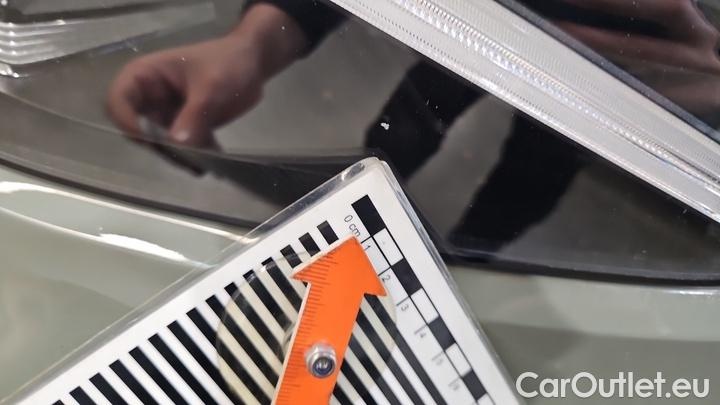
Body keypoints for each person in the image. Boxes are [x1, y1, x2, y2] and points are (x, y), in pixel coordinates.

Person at [107, 0, 720, 252]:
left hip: (613, 93)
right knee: (412, 121)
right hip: (462, 30)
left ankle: (472, 250)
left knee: (528, 172)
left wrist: (703, 90)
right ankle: (369, 203)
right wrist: (256, 40)